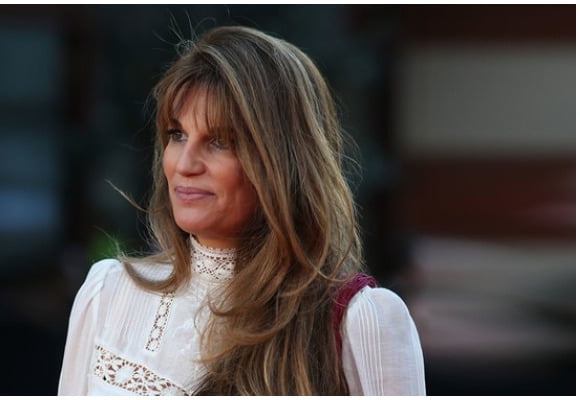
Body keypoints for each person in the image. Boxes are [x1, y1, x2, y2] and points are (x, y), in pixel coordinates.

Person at [58, 25, 425, 396]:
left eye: (219, 142)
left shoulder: (361, 321)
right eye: (176, 134)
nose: (185, 164)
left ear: (281, 162)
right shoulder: (107, 293)